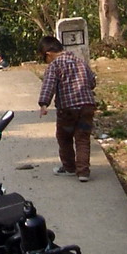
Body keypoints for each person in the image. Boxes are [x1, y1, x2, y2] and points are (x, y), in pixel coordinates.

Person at [37, 35, 97, 183]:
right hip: (87, 107)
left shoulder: (55, 65)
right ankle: (83, 172)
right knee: (83, 139)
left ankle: (69, 167)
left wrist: (44, 103)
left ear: (48, 54)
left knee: (64, 138)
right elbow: (92, 82)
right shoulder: (80, 61)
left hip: (68, 109)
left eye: (44, 58)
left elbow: (49, 85)